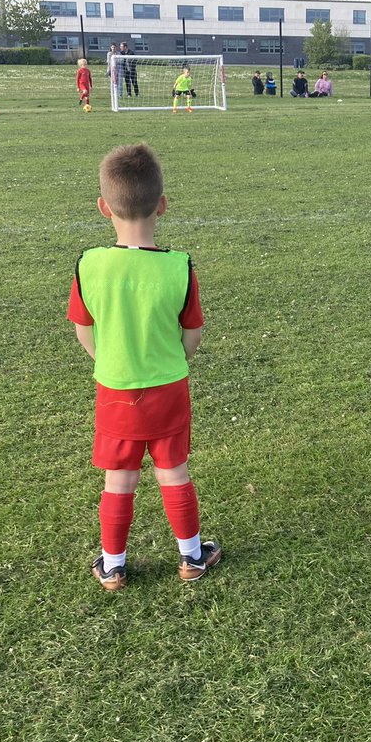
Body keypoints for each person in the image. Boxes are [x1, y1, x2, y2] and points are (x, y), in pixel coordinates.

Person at [66, 143, 220, 591]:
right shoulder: (178, 266)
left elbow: (82, 329)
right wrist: (171, 360)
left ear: (102, 207)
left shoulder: (90, 264)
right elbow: (192, 333)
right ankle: (191, 557)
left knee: (120, 476)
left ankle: (113, 565)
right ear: (163, 206)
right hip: (168, 386)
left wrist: (110, 360)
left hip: (115, 389)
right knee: (172, 470)